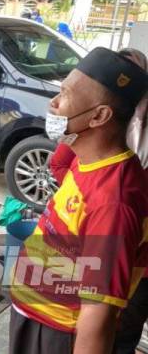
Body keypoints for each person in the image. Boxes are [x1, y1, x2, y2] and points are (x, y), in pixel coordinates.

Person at [9, 47, 148, 354]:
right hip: (37, 316)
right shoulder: (84, 160)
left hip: (58, 334)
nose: (54, 104)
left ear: (99, 116)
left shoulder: (114, 202)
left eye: (65, 94)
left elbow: (98, 315)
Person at [112, 47, 148, 354]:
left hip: (141, 257)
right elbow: (60, 163)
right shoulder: (102, 118)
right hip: (101, 246)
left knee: (125, 327)